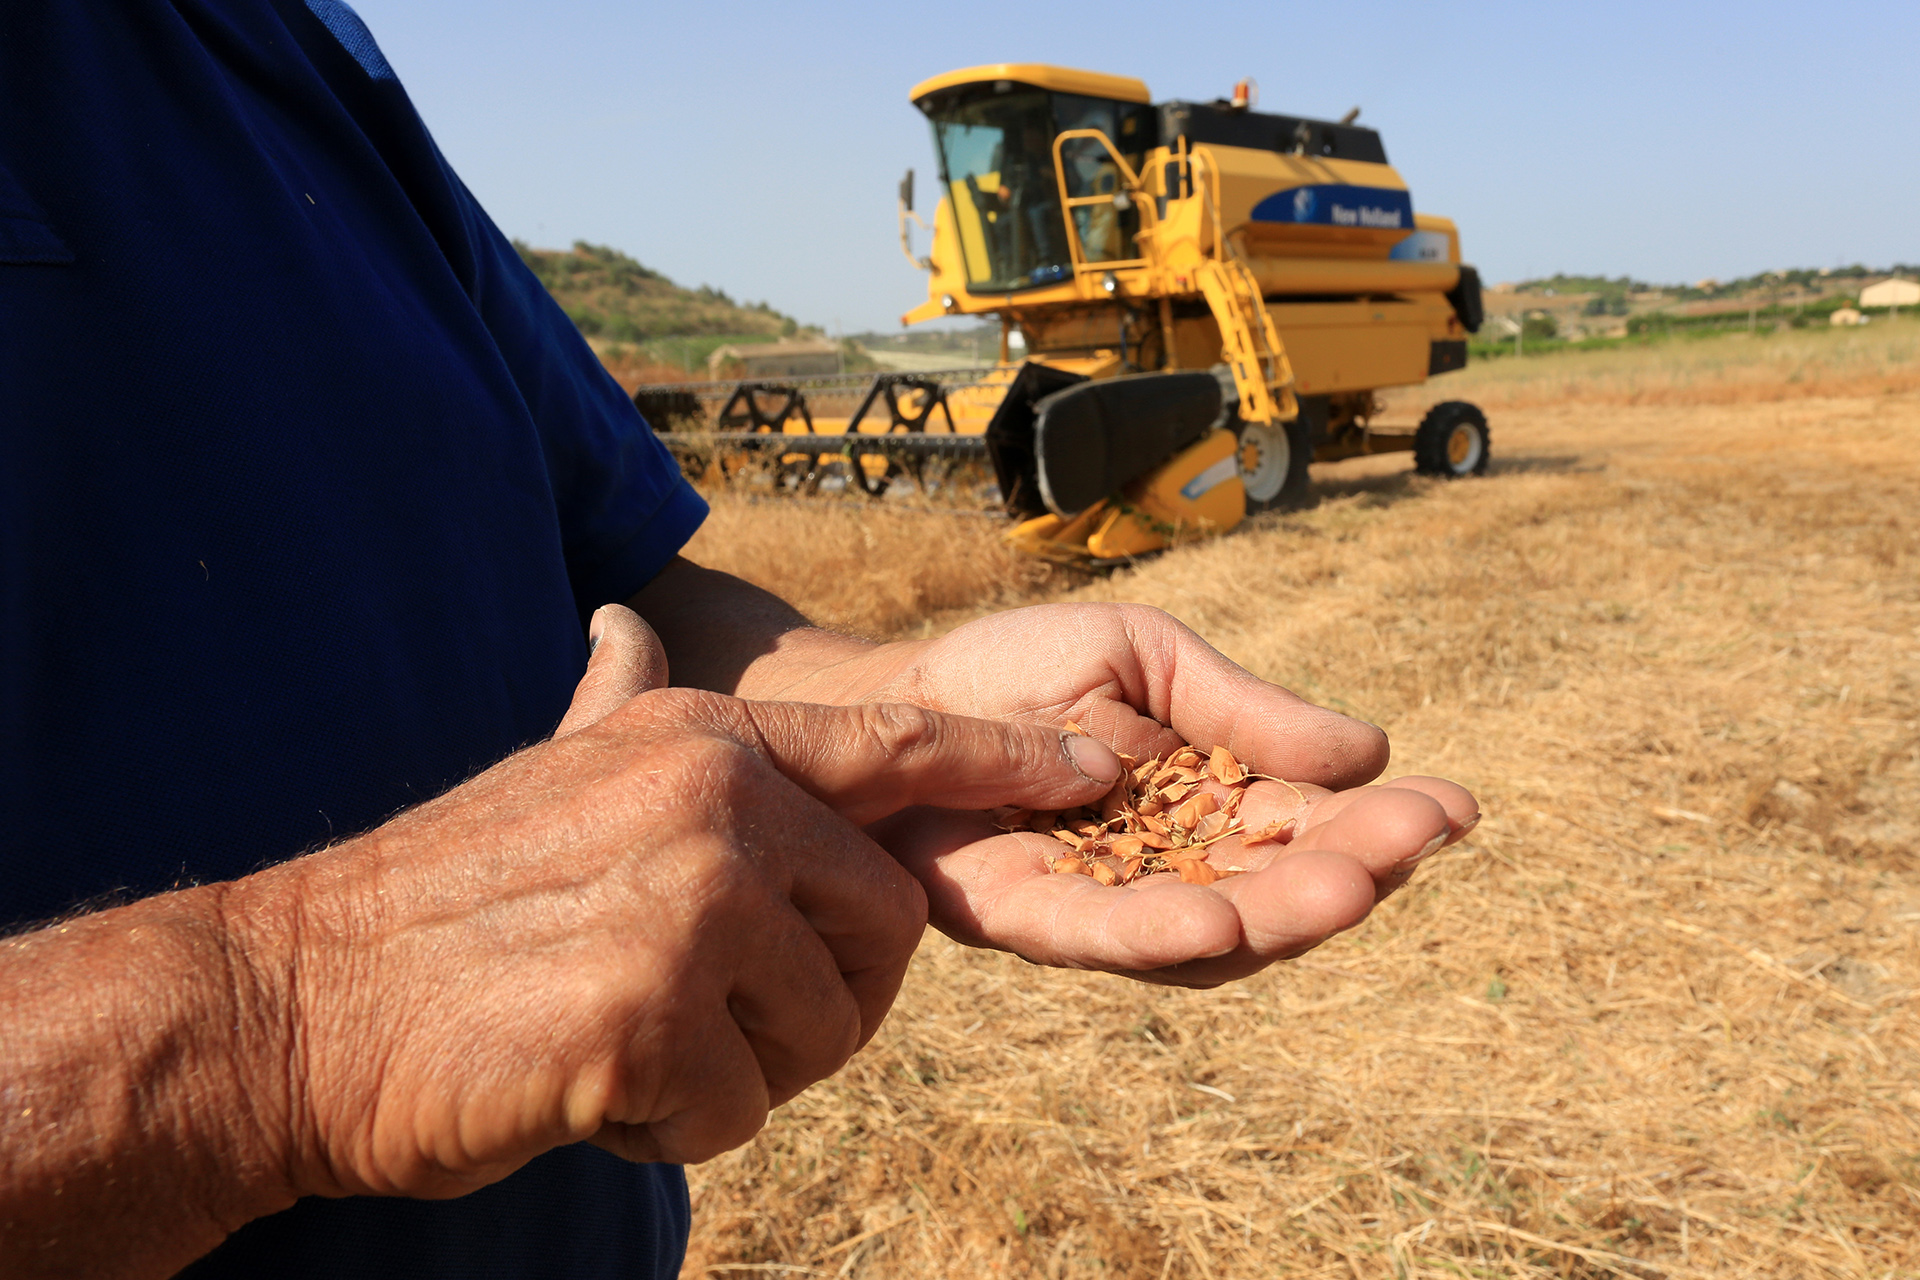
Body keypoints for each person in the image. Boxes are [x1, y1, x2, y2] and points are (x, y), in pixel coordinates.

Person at [0, 3, 1479, 1278]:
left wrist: (893, 699)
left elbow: (624, 582)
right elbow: (315, 1009)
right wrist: (293, 1026)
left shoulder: (276, 42)